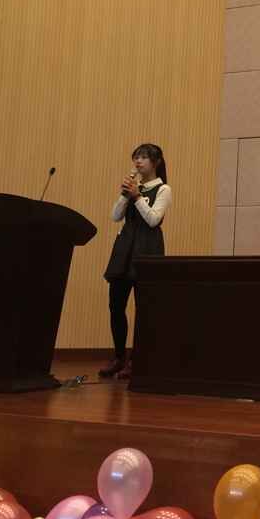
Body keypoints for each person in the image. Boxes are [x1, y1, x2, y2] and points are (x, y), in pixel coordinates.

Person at [100, 143, 172, 379]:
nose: (138, 162)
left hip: (147, 249)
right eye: (136, 157)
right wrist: (125, 195)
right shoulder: (133, 187)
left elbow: (153, 220)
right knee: (115, 305)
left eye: (143, 157)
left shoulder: (163, 189)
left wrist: (137, 197)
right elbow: (115, 216)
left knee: (144, 308)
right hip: (125, 249)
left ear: (156, 162)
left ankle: (137, 360)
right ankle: (119, 356)